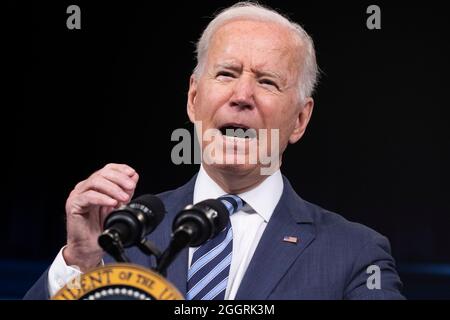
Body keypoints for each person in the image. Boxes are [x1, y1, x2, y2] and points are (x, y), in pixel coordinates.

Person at [24, 2, 404, 299]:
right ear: (193, 98)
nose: (242, 96)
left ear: (300, 120)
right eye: (226, 74)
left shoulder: (354, 253)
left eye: (268, 81)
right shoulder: (119, 234)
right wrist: (80, 259)